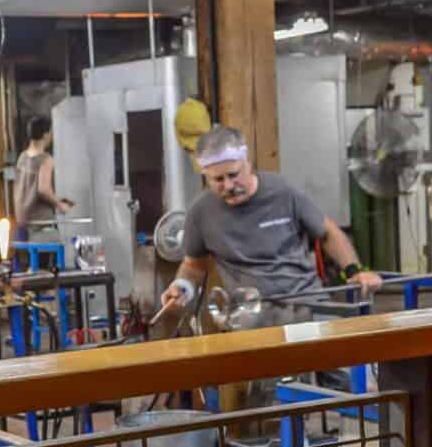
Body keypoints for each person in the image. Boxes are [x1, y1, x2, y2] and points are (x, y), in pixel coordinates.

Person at [160, 125, 382, 323]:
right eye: (218, 180)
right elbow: (193, 266)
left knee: (344, 366)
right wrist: (182, 287)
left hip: (309, 304)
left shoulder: (283, 192)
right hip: (251, 317)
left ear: (248, 163)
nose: (228, 185)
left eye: (233, 175)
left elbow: (327, 232)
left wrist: (355, 271)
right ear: (206, 177)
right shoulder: (200, 212)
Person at [14, 116, 72, 244]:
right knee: (63, 246)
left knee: (35, 262)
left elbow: (29, 189)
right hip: (41, 223)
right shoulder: (45, 159)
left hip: (24, 222)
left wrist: (56, 200)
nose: (51, 135)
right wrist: (59, 204)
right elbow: (43, 189)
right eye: (50, 132)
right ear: (45, 135)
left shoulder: (22, 157)